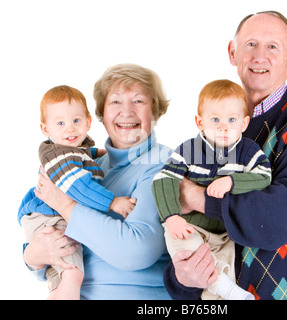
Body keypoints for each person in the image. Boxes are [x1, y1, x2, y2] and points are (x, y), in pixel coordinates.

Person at [164, 11, 287, 300]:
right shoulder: (214, 133)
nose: (259, 56)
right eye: (250, 44)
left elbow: (278, 218)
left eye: (273, 46)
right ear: (232, 53)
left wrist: (195, 198)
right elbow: (186, 235)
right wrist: (183, 279)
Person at [20, 63, 172, 300]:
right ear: (101, 114)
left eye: (139, 101)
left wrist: (66, 205)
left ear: (156, 111)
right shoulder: (90, 166)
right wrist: (33, 256)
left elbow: (135, 251)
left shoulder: (162, 165)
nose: (127, 111)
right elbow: (55, 237)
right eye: (115, 102)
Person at [152, 79, 271, 300]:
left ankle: (224, 291)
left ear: (244, 123)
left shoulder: (248, 151)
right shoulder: (188, 150)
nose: (223, 127)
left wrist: (232, 181)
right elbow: (163, 179)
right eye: (215, 119)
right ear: (200, 122)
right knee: (188, 253)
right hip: (189, 227)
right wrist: (171, 217)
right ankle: (228, 290)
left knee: (222, 275)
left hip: (225, 232)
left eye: (232, 120)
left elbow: (264, 177)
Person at [18, 85, 138, 299]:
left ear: (88, 122)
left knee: (61, 277)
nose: (70, 129)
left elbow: (87, 155)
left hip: (48, 215)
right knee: (72, 274)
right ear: (46, 129)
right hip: (49, 216)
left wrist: (108, 152)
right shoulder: (60, 157)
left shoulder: (73, 149)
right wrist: (112, 203)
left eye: (76, 121)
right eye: (61, 123)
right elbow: (79, 188)